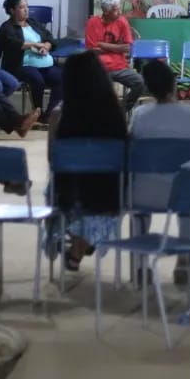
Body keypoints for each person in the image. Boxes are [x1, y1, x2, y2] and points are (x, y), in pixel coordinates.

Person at [48, 51, 128, 270]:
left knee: (66, 190)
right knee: (97, 194)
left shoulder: (60, 114)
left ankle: (78, 244)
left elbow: (52, 158)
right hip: (109, 193)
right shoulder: (115, 113)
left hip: (68, 191)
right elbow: (124, 155)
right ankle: (81, 245)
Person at [128, 60, 190, 285]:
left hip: (144, 193)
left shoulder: (140, 115)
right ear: (174, 84)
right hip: (184, 193)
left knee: (139, 209)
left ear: (149, 88)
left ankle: (140, 266)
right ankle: (185, 261)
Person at [0, 0, 61, 123]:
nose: (26, 10)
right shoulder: (7, 27)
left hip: (45, 63)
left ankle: (49, 113)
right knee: (37, 80)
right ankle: (38, 112)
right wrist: (33, 45)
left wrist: (46, 47)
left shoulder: (33, 22)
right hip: (22, 65)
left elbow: (49, 37)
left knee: (63, 78)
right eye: (21, 7)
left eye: (27, 6)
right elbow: (12, 43)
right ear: (12, 10)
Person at [85, 0, 145, 111]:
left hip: (120, 67)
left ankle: (120, 110)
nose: (120, 12)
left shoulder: (122, 21)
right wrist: (117, 47)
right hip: (99, 68)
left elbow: (127, 48)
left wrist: (103, 45)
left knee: (140, 83)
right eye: (116, 10)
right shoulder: (92, 22)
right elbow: (92, 50)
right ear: (106, 11)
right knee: (103, 93)